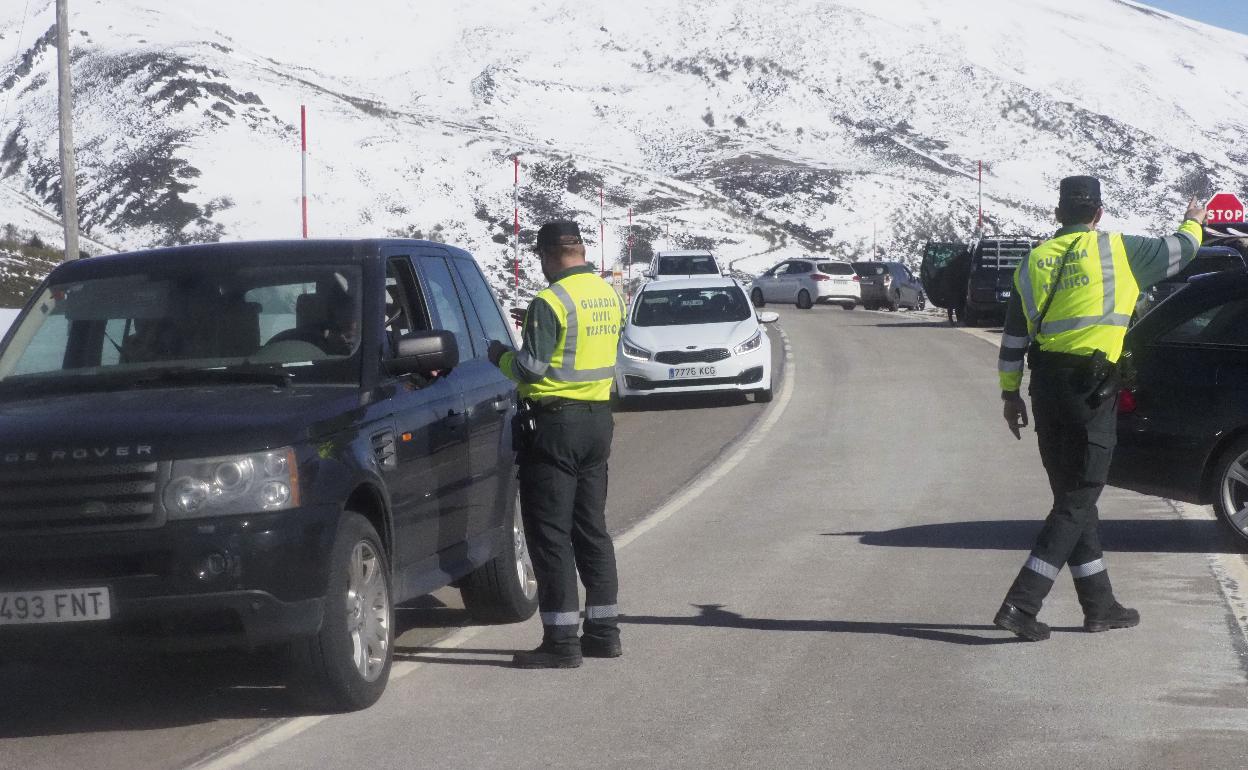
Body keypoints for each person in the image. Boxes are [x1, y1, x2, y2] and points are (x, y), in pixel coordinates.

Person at [994, 175, 1207, 641]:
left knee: (1075, 496)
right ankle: (1021, 604)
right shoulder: (1118, 250)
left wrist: (1010, 394)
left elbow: (1013, 340)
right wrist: (1193, 222)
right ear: (1098, 214)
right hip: (1090, 389)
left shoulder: (1034, 261)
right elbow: (1182, 251)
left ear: (1058, 214)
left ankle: (1100, 604)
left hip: (1045, 387)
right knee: (1079, 497)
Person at [487, 220, 626, 668]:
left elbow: (530, 367)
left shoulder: (550, 300)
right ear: (581, 250)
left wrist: (498, 356)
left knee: (550, 536)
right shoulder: (609, 295)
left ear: (547, 255)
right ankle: (604, 633)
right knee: (592, 531)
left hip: (555, 425)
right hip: (597, 422)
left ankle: (562, 642)